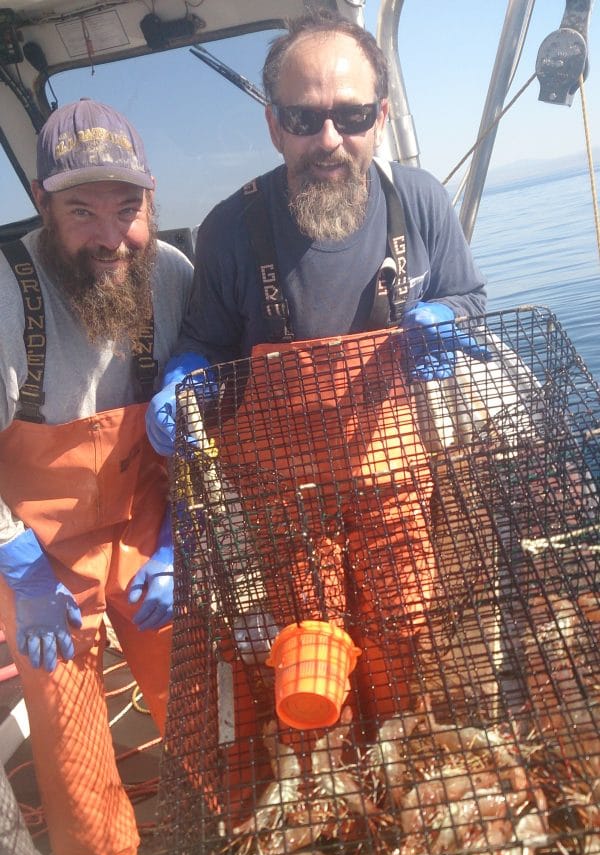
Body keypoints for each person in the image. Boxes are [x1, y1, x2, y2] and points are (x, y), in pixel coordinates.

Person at [146, 11, 489, 734]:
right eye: (304, 119)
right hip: (285, 497)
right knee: (314, 650)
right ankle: (337, 767)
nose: (329, 140)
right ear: (275, 126)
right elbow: (206, 342)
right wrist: (186, 376)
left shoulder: (420, 201)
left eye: (352, 115)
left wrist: (448, 319)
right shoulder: (230, 230)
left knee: (405, 630)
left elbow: (468, 294)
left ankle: (401, 746)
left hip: (394, 476)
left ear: (381, 117)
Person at [0, 99, 193, 855]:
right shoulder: (7, 293)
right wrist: (17, 562)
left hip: (145, 520)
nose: (109, 234)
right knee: (62, 691)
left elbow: (204, 431)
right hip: (36, 544)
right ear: (44, 201)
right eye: (83, 210)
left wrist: (182, 540)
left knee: (193, 668)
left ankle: (228, 813)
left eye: (127, 207)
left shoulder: (175, 277)